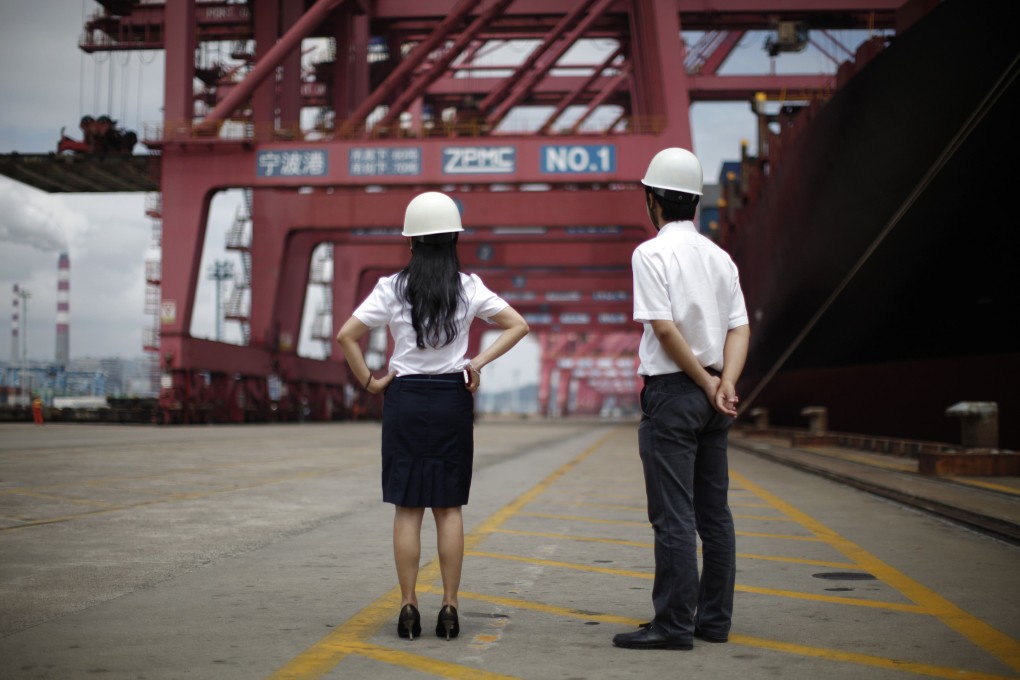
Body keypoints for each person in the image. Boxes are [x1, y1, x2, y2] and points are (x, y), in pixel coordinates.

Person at [336, 191, 529, 642]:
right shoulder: (469, 287)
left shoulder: (391, 288)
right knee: (448, 508)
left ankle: (407, 605)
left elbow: (348, 336)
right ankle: (450, 606)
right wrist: (476, 363)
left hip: (404, 399)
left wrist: (370, 381)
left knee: (407, 508)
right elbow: (518, 325)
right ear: (454, 241)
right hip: (451, 399)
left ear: (411, 244)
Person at [612, 147, 750, 651]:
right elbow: (739, 326)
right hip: (715, 398)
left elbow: (666, 331)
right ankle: (713, 621)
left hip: (674, 393)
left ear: (651, 199)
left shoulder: (650, 254)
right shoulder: (720, 257)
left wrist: (703, 382)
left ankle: (672, 625)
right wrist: (724, 382)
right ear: (695, 202)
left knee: (673, 515)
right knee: (715, 514)